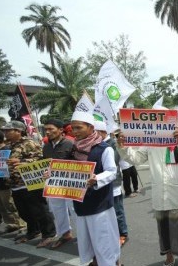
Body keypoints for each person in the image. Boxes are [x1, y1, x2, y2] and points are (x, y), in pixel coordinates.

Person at [116, 110, 178, 266]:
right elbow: (136, 158)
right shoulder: (149, 141)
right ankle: (169, 256)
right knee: (164, 229)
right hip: (160, 195)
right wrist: (123, 147)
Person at [70, 112, 120, 266]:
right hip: (80, 202)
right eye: (73, 128)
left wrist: (96, 179)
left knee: (104, 240)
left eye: (79, 127)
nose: (75, 131)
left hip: (99, 205)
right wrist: (51, 174)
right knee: (87, 239)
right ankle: (95, 262)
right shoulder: (73, 149)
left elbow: (112, 172)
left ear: (91, 128)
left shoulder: (104, 149)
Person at [1, 120, 56, 247]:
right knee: (24, 211)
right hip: (15, 185)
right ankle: (33, 231)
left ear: (18, 131)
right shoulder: (8, 146)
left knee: (39, 210)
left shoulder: (29, 143)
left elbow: (41, 159)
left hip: (29, 183)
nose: (5, 132)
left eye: (8, 130)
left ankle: (49, 234)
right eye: (5, 130)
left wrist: (23, 161)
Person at [95, 121, 130, 248]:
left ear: (102, 132)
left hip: (113, 184)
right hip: (100, 185)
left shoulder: (113, 144)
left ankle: (123, 233)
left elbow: (124, 164)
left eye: (95, 132)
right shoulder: (97, 145)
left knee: (117, 210)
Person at [42, 119, 75, 249]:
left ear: (61, 130)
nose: (48, 132)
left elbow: (78, 165)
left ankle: (85, 236)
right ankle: (65, 234)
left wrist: (57, 170)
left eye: (51, 129)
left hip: (70, 184)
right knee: (57, 210)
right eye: (46, 130)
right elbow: (45, 164)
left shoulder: (71, 144)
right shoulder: (47, 147)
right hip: (53, 184)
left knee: (74, 210)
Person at [0, 130, 25, 234]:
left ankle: (21, 224)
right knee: (1, 206)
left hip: (6, 183)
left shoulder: (8, 150)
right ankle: (11, 224)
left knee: (11, 205)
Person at [115, 130, 140, 198]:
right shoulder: (117, 145)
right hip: (124, 164)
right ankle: (128, 192)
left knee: (134, 175)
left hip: (131, 162)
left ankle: (136, 188)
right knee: (127, 179)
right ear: (118, 138)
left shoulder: (127, 142)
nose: (122, 137)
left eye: (123, 136)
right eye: (121, 136)